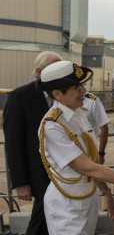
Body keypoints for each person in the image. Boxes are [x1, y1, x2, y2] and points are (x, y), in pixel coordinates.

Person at [37, 60, 114, 234]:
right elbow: (86, 167)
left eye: (82, 85)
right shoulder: (53, 126)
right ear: (58, 94)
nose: (83, 91)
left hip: (89, 197)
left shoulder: (79, 114)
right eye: (76, 87)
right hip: (67, 202)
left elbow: (92, 160)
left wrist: (107, 193)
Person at [3, 51, 62, 235]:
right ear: (39, 72)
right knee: (43, 213)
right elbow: (13, 143)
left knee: (52, 215)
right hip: (38, 173)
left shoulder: (64, 95)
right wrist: (20, 182)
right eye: (55, 68)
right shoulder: (20, 96)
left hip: (63, 170)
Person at [82, 92, 114, 219]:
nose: (82, 90)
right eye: (77, 86)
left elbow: (104, 127)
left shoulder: (92, 101)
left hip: (89, 151)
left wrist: (101, 153)